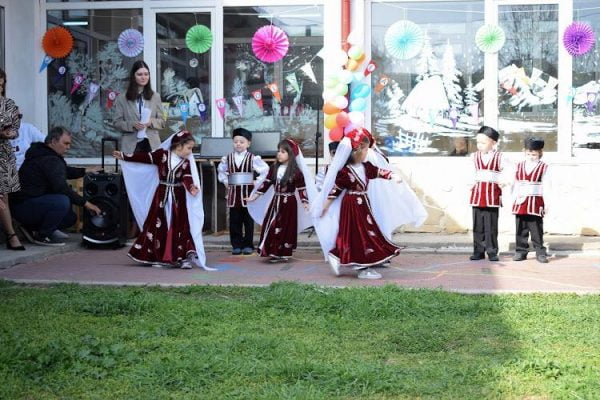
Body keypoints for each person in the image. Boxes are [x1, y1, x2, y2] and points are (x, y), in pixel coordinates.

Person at [115, 130, 214, 270]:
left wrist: (191, 187)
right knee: (158, 225)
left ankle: (181, 257)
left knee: (179, 226)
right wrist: (124, 156)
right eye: (189, 148)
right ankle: (158, 255)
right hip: (161, 197)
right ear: (178, 146)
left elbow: (187, 177)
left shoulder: (185, 163)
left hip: (178, 199)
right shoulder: (162, 155)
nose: (190, 152)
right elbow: (145, 158)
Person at [314, 129, 404, 279]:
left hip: (364, 206)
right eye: (365, 150)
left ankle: (337, 255)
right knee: (358, 234)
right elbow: (336, 190)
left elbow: (379, 172)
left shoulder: (366, 167)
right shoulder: (345, 172)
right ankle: (362, 267)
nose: (367, 153)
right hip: (351, 207)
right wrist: (325, 206)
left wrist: (392, 175)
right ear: (357, 150)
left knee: (365, 233)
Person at [11, 127, 101, 246]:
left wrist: (84, 171)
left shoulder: (46, 154)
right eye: (65, 143)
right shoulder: (49, 159)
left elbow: (63, 171)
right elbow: (61, 188)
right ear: (53, 141)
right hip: (22, 207)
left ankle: (32, 228)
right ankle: (42, 235)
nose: (68, 147)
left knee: (70, 218)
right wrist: (87, 204)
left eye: (69, 144)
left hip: (30, 205)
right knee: (62, 201)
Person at [246, 139, 316, 263]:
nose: (279, 154)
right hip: (276, 201)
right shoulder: (274, 168)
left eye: (283, 152)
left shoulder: (296, 172)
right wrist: (254, 197)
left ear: (290, 154)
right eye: (278, 151)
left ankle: (284, 252)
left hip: (289, 203)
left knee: (287, 227)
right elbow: (266, 184)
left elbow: (301, 188)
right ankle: (273, 251)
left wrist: (305, 202)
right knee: (272, 225)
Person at [217, 127, 268, 255]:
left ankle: (248, 244)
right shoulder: (227, 158)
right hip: (234, 194)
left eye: (241, 142)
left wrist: (257, 182)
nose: (238, 144)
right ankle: (236, 245)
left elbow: (265, 170)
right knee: (234, 220)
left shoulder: (253, 158)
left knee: (248, 221)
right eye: (236, 142)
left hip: (247, 194)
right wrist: (225, 181)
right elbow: (221, 171)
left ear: (248, 143)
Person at [469, 126, 508, 262]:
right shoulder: (474, 156)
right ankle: (478, 251)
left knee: (491, 225)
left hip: (492, 194)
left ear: (493, 143)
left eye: (483, 142)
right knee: (477, 224)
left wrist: (504, 181)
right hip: (478, 194)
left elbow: (508, 171)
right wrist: (469, 183)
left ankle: (492, 251)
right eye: (478, 142)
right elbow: (470, 173)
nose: (480, 145)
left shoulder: (500, 157)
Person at [113, 60, 165, 154]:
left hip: (152, 144)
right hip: (131, 145)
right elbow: (117, 123)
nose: (143, 77)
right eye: (140, 74)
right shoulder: (122, 98)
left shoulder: (155, 96)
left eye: (146, 74)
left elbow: (162, 122)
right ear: (133, 76)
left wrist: (151, 122)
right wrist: (132, 124)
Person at [511, 137, 550, 263]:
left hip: (535, 201)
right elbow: (515, 183)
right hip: (521, 201)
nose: (531, 157)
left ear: (539, 153)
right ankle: (520, 251)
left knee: (536, 229)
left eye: (534, 154)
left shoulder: (543, 167)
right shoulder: (519, 166)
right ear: (524, 152)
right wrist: (514, 199)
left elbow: (547, 186)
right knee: (520, 228)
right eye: (528, 154)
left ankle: (540, 252)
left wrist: (547, 203)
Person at [0, 96, 26, 250]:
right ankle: (11, 235)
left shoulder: (8, 103)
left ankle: (10, 235)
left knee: (4, 197)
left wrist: (10, 133)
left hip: (3, 154)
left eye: (1, 85)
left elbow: (15, 129)